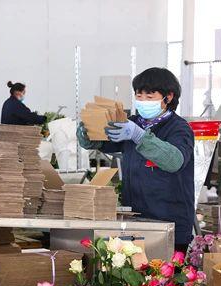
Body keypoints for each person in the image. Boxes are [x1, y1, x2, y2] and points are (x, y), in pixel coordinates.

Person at [76, 67, 195, 252]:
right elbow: (107, 143)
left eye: (149, 97)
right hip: (136, 218)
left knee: (164, 277)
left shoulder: (178, 128)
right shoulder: (133, 123)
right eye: (139, 96)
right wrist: (89, 136)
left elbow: (174, 161)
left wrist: (139, 136)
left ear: (168, 97)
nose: (142, 101)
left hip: (169, 222)